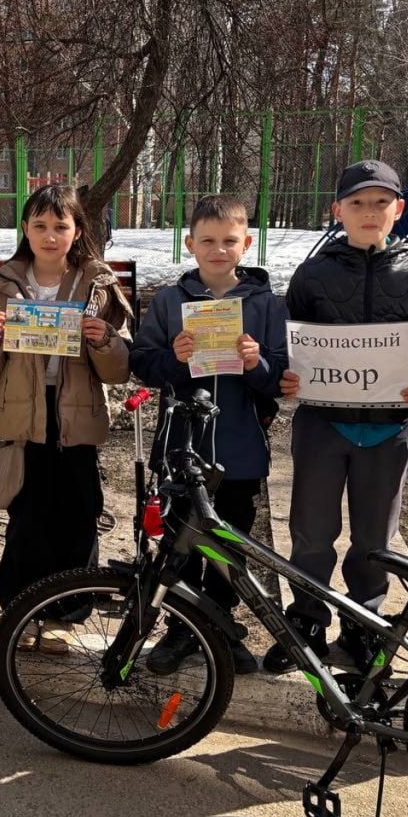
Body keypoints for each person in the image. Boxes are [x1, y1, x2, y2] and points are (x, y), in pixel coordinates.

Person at [264, 160, 408, 674]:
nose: (369, 212)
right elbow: (290, 343)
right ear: (337, 210)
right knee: (312, 534)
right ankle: (307, 621)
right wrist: (287, 375)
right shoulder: (312, 273)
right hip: (323, 425)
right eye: (357, 203)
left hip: (389, 429)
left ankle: (365, 625)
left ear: (398, 209)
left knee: (374, 541)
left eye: (381, 202)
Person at [0, 185, 132, 654]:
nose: (50, 235)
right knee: (27, 519)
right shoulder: (3, 285)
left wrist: (104, 340)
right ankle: (22, 612)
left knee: (77, 517)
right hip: (23, 419)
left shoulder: (98, 285)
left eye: (61, 226)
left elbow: (119, 370)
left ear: (78, 230)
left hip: (77, 419)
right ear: (25, 229)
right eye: (39, 225)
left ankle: (65, 616)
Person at [130, 195, 287, 675]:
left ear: (247, 244)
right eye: (208, 241)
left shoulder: (266, 304)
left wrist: (255, 363)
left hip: (240, 448)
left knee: (229, 543)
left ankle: (220, 625)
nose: (219, 250)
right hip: (181, 445)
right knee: (180, 541)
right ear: (190, 244)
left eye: (229, 241)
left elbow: (281, 378)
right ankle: (183, 628)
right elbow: (143, 364)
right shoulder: (170, 301)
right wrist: (174, 358)